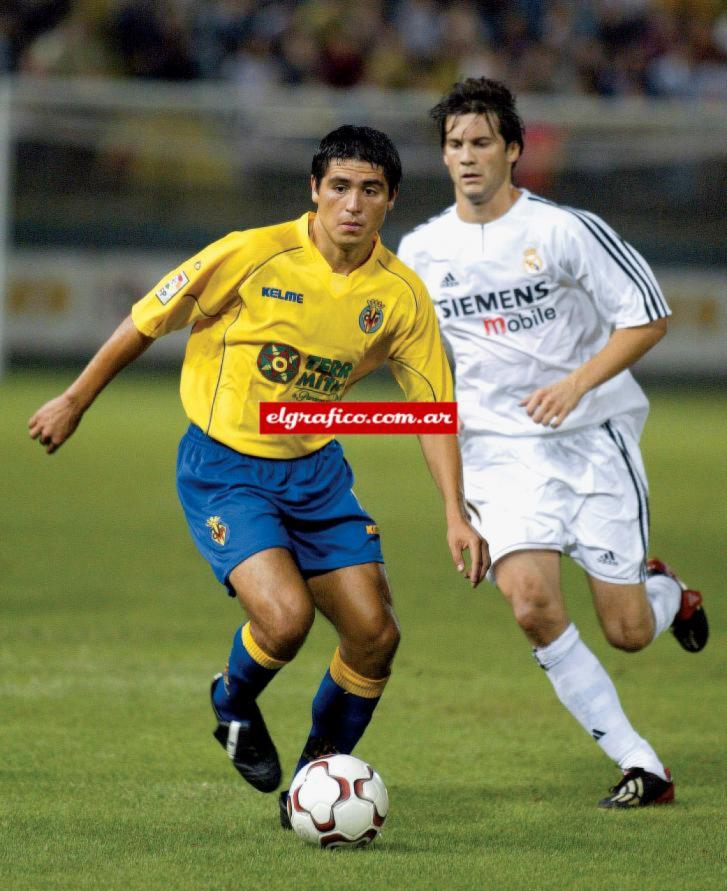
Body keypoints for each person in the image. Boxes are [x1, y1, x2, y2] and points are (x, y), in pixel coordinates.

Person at [28, 125, 488, 826]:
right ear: (314, 190)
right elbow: (146, 320)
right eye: (338, 187)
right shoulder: (250, 253)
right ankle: (233, 701)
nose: (351, 205)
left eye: (369, 190)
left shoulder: (399, 296)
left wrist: (455, 512)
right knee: (285, 619)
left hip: (317, 475)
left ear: (390, 200)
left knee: (375, 635)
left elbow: (431, 411)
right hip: (224, 469)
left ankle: (312, 781)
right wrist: (74, 398)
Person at [398, 79, 708, 809]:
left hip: (590, 439)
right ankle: (642, 766)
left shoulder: (566, 230)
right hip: (496, 457)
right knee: (531, 604)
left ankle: (666, 593)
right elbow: (418, 384)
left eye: (480, 143)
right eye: (454, 145)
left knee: (628, 631)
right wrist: (452, 509)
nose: (467, 157)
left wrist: (575, 383)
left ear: (512, 150)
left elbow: (648, 317)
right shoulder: (420, 251)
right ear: (442, 157)